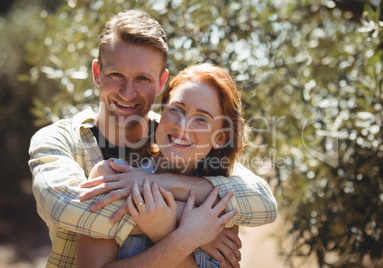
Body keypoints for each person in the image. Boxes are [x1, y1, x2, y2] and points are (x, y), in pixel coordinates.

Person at [28, 9, 277, 268]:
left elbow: (261, 201)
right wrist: (187, 226)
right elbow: (63, 207)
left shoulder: (188, 150)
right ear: (97, 73)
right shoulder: (62, 143)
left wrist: (155, 187)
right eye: (116, 75)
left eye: (142, 78)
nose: (127, 92)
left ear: (161, 83)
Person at [78, 63, 249, 267]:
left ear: (220, 138)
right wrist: (185, 238)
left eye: (202, 119)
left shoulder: (220, 204)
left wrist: (166, 232)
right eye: (176, 109)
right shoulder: (113, 175)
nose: (182, 126)